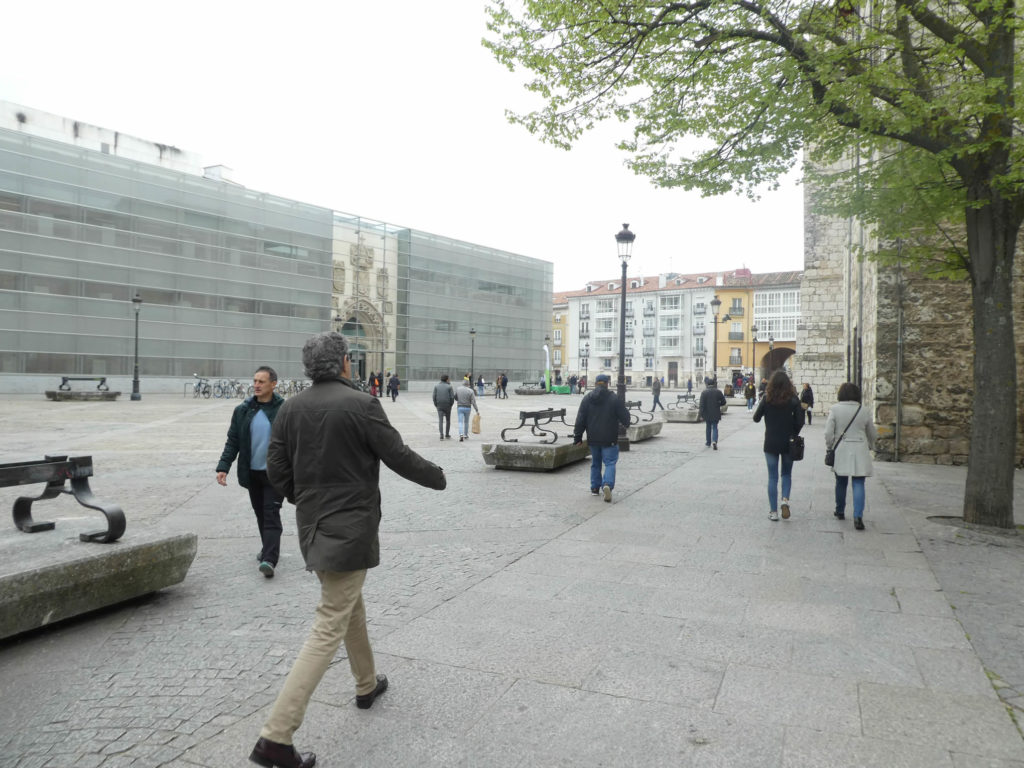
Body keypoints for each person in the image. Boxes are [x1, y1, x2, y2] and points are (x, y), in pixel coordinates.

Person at [249, 331, 446, 768]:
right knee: (329, 623)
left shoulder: (290, 408)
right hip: (351, 529)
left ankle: (365, 683)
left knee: (348, 606)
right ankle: (276, 736)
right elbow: (397, 454)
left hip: (312, 526)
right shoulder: (362, 404)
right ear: (343, 363)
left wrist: (303, 497)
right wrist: (437, 476)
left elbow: (275, 468)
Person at [216, 365, 286, 579]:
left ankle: (269, 559)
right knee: (261, 514)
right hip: (252, 473)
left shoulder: (284, 410)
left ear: (273, 384)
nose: (256, 385)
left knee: (271, 513)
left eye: (261, 381)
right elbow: (233, 441)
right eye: (255, 381)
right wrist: (223, 467)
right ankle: (267, 548)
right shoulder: (243, 410)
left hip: (275, 473)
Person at [753, 370, 804, 522]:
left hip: (771, 442)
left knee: (772, 477)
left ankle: (773, 511)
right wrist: (793, 432)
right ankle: (785, 500)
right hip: (789, 442)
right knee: (786, 474)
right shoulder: (793, 400)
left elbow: (756, 418)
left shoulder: (767, 399)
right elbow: (800, 421)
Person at [825, 382, 877, 530]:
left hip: (842, 449)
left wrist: (829, 446)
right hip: (860, 449)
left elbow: (828, 432)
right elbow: (872, 433)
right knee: (859, 482)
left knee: (841, 481)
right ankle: (858, 516)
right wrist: (871, 445)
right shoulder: (864, 410)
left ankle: (840, 510)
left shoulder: (835, 409)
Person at [572, 373, 630, 503]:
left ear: (595, 383)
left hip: (593, 438)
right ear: (607, 384)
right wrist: (626, 423)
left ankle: (594, 487)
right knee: (610, 462)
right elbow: (625, 416)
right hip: (609, 438)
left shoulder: (587, 398)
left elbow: (580, 419)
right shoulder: (614, 398)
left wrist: (578, 437)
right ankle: (607, 484)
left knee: (595, 463)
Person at [698, 378, 727, 450]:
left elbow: (701, 405)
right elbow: (724, 402)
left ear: (707, 384)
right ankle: (714, 441)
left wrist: (700, 415)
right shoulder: (718, 392)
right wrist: (718, 404)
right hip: (716, 412)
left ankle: (708, 442)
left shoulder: (704, 392)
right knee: (715, 427)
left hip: (707, 413)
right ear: (714, 384)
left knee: (708, 427)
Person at [432, 374, 455, 440]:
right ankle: (447, 434)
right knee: (448, 420)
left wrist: (436, 404)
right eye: (449, 379)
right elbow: (452, 397)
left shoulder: (436, 386)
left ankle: (441, 435)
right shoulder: (449, 387)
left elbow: (434, 396)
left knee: (440, 420)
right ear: (447, 379)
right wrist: (451, 404)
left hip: (439, 405)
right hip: (447, 405)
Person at [455, 377, 478, 442]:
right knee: (466, 422)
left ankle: (461, 434)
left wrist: (459, 400)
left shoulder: (458, 389)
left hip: (460, 407)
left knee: (460, 422)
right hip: (468, 407)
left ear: (462, 383)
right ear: (468, 384)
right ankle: (465, 434)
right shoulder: (471, 391)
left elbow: (455, 397)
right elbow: (473, 402)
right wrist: (476, 410)